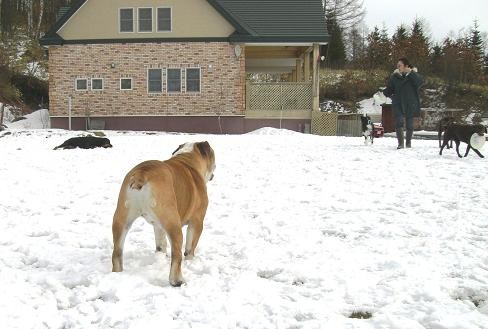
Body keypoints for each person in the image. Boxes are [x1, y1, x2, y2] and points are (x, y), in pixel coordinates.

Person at [382, 57, 424, 149]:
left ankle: (408, 143)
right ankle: (400, 144)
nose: (398, 67)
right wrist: (382, 94)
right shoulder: (395, 77)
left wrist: (411, 73)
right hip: (398, 103)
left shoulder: (413, 76)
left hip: (410, 103)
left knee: (409, 125)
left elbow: (420, 82)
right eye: (398, 65)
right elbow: (389, 89)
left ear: (406, 66)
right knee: (399, 122)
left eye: (400, 65)